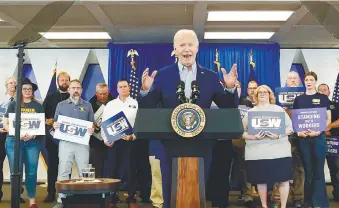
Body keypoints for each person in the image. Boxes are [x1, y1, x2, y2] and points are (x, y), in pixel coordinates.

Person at [138, 29, 239, 208]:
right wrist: (146, 92)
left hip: (202, 144)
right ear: (175, 49)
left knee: (199, 187)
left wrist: (230, 88)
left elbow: (226, 105)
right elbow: (148, 107)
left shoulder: (210, 76)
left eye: (190, 44)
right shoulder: (163, 75)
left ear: (197, 48)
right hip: (170, 144)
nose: (187, 49)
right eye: (182, 45)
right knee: (169, 187)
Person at [242, 85, 293, 208]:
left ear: (270, 95)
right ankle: (264, 205)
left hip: (279, 152)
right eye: (260, 92)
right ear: (256, 96)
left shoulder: (279, 110)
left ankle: (283, 206)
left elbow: (290, 129)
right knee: (261, 181)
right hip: (258, 153)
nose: (262, 94)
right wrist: (253, 137)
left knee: (283, 179)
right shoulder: (250, 113)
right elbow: (242, 132)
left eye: (265, 92)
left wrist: (278, 135)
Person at [102, 79, 149, 207]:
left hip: (129, 141)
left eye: (125, 86)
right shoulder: (110, 104)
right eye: (120, 87)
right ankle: (112, 197)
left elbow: (140, 123)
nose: (123, 88)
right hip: (114, 141)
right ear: (117, 89)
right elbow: (104, 123)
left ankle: (131, 197)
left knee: (130, 169)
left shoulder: (135, 103)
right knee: (113, 169)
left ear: (129, 88)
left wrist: (133, 136)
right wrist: (106, 140)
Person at [52, 79, 94, 208]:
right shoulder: (61, 105)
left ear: (81, 90)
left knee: (85, 170)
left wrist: (91, 129)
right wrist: (55, 125)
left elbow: (92, 123)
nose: (76, 90)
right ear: (69, 90)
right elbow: (55, 123)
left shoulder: (88, 105)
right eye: (73, 88)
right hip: (65, 143)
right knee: (63, 170)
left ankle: (85, 197)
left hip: (82, 144)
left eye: (78, 88)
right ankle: (61, 198)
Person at [292, 71, 331, 208]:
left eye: (311, 80)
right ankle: (308, 202)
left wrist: (319, 131)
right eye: (306, 79)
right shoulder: (299, 99)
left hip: (318, 138)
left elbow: (328, 119)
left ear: (315, 81)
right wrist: (299, 132)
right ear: (304, 81)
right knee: (308, 171)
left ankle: (320, 203)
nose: (309, 82)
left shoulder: (323, 98)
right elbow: (295, 119)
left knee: (319, 170)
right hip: (303, 139)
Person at [3, 78, 44, 208]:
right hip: (13, 142)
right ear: (20, 90)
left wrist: (33, 134)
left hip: (32, 142)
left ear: (32, 91)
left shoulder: (38, 106)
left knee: (32, 172)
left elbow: (41, 125)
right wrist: (15, 133)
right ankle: (16, 198)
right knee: (16, 172)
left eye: (30, 89)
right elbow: (6, 122)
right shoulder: (13, 104)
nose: (27, 91)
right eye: (25, 88)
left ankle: (32, 201)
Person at [272, 70, 304, 208]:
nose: (292, 80)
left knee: (299, 168)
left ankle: (298, 198)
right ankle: (276, 198)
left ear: (299, 81)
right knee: (278, 167)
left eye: (294, 78)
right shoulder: (277, 99)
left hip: (299, 137)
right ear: (286, 81)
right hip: (281, 137)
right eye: (289, 78)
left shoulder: (304, 98)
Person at [42, 72, 70, 202]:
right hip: (52, 138)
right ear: (58, 82)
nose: (64, 82)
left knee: (67, 166)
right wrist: (46, 120)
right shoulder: (50, 96)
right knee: (53, 166)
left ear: (69, 82)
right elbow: (41, 114)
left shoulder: (74, 96)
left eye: (66, 80)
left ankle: (67, 193)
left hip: (69, 138)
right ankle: (51, 193)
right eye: (62, 80)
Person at [318, 83, 339, 202]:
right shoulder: (312, 105)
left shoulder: (335, 105)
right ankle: (319, 194)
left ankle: (337, 193)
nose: (323, 91)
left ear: (329, 92)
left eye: (325, 89)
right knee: (317, 169)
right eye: (320, 90)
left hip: (333, 140)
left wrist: (328, 127)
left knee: (334, 169)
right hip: (317, 140)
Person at [88, 83, 114, 177]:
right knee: (96, 166)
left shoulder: (115, 102)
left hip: (112, 139)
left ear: (109, 92)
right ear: (96, 93)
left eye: (105, 94)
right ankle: (96, 189)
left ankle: (111, 190)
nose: (102, 96)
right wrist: (90, 124)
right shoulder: (89, 104)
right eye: (100, 94)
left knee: (112, 166)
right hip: (95, 141)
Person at [0, 76, 16, 202]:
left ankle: (17, 194)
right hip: (0, 135)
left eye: (15, 83)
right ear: (6, 85)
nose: (13, 85)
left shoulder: (21, 100)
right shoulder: (1, 99)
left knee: (15, 165)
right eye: (10, 83)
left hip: (14, 137)